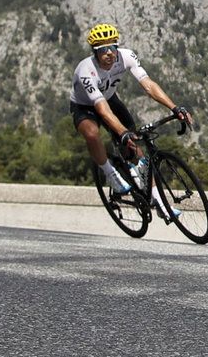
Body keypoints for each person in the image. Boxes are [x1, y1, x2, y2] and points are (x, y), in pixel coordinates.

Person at [70, 23, 194, 219]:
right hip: (85, 106)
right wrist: (121, 131)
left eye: (113, 47)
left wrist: (175, 108)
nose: (109, 53)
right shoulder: (86, 70)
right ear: (95, 52)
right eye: (103, 49)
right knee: (93, 134)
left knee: (136, 149)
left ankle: (159, 202)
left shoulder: (126, 56)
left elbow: (149, 85)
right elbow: (101, 110)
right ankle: (111, 174)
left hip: (110, 99)